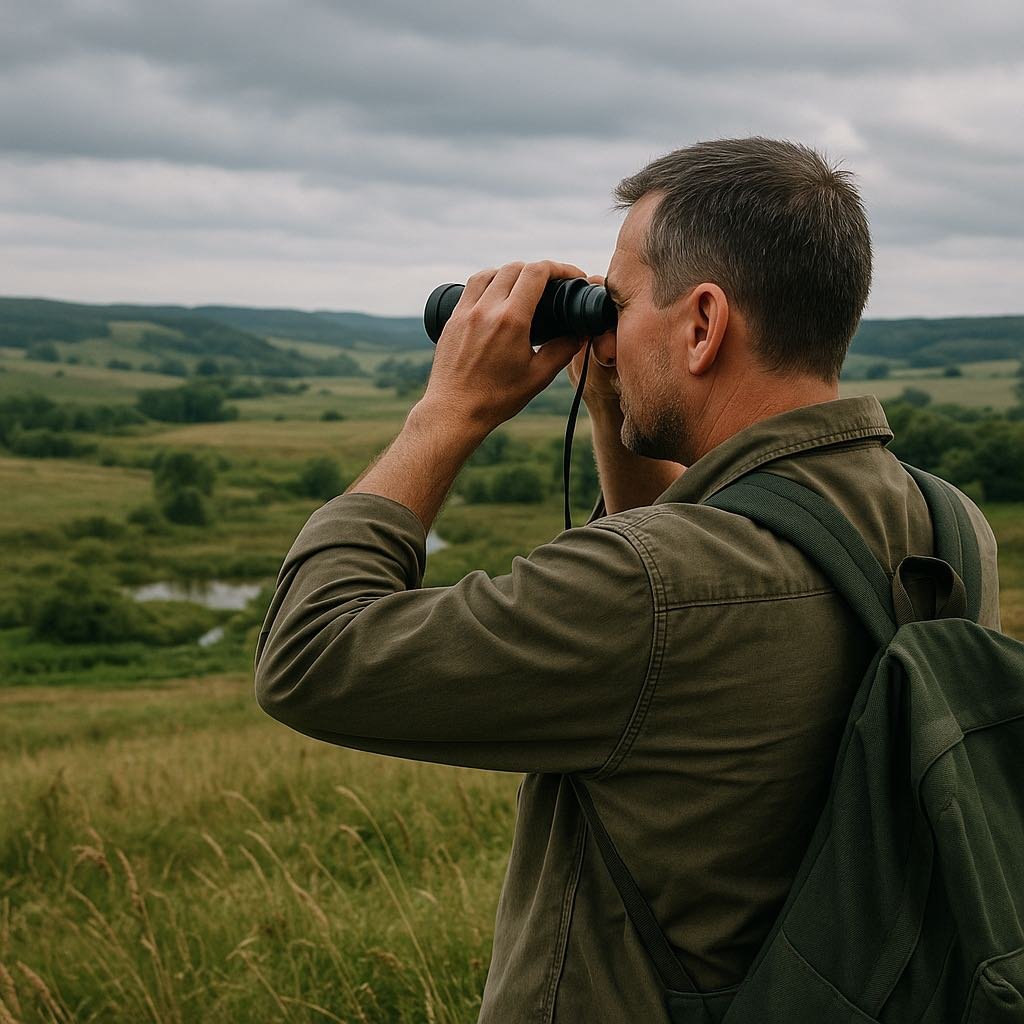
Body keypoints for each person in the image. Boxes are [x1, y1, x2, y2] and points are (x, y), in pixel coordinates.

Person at [253, 137, 1001, 1023]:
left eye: (621, 303)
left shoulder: (654, 590)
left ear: (703, 323)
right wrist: (613, 404)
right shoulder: (948, 524)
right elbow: (697, 557)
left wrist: (446, 411)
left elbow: (309, 654)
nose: (607, 334)